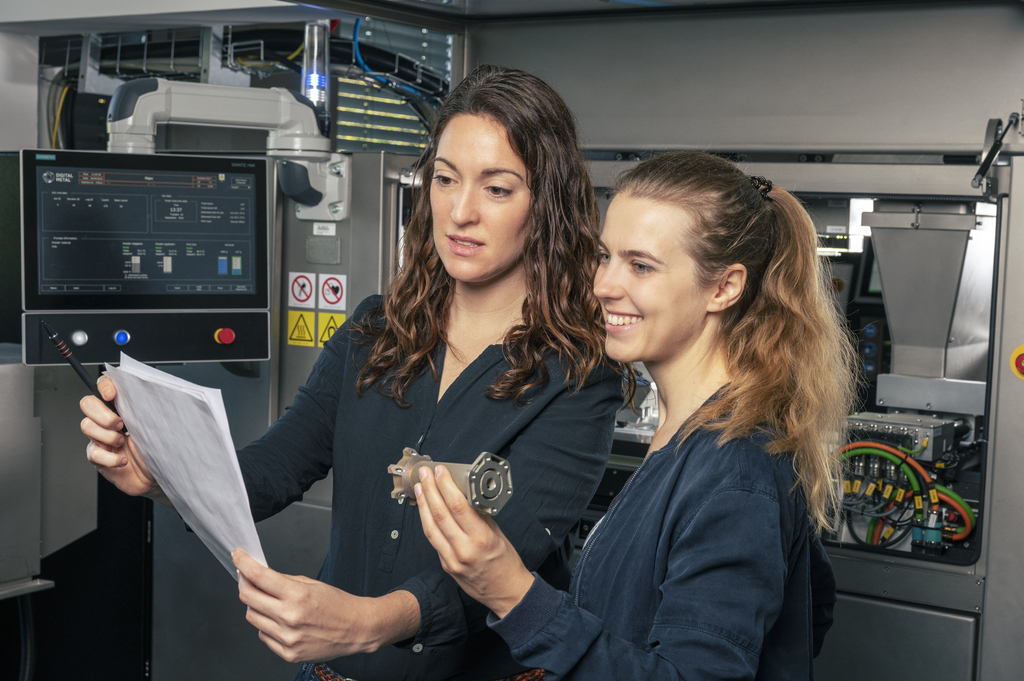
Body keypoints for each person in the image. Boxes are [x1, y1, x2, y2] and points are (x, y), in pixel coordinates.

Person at [79, 65, 627, 681]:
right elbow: (272, 469)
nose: (460, 211)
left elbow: (499, 574)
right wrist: (159, 471)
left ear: (546, 205)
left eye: (497, 189)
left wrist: (367, 622)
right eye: (445, 180)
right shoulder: (375, 332)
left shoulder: (580, 377)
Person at [414, 151, 856, 680]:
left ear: (724, 287)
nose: (603, 285)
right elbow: (810, 606)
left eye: (641, 266)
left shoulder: (734, 469)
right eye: (605, 257)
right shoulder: (690, 433)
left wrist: (512, 594)